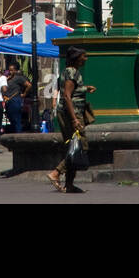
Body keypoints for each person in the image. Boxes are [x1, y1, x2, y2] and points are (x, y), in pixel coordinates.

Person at [47, 46, 95, 193]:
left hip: (72, 112)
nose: (85, 59)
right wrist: (74, 119)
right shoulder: (71, 72)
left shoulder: (71, 72)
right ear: (76, 58)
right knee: (81, 145)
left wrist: (85, 88)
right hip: (72, 114)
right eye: (83, 56)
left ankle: (69, 184)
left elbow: (72, 90)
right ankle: (56, 173)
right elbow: (67, 96)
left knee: (73, 147)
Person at [4, 62, 28, 133]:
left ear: (15, 70)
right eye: (9, 70)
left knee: (16, 119)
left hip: (15, 100)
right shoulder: (8, 78)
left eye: (12, 70)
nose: (10, 72)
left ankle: (18, 134)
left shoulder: (19, 78)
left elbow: (29, 85)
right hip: (9, 101)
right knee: (11, 118)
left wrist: (24, 94)